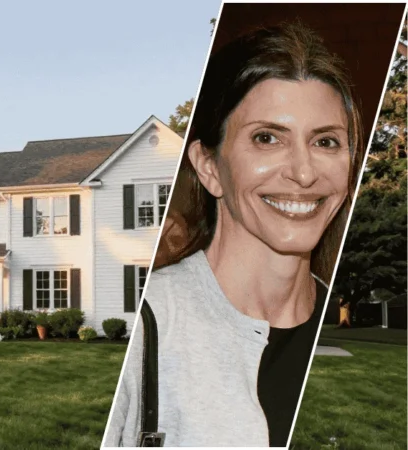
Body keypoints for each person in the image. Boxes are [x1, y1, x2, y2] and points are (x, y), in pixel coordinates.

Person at [104, 22, 363, 448]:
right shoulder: (152, 325)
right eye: (267, 138)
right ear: (209, 167)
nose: (303, 172)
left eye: (327, 142)